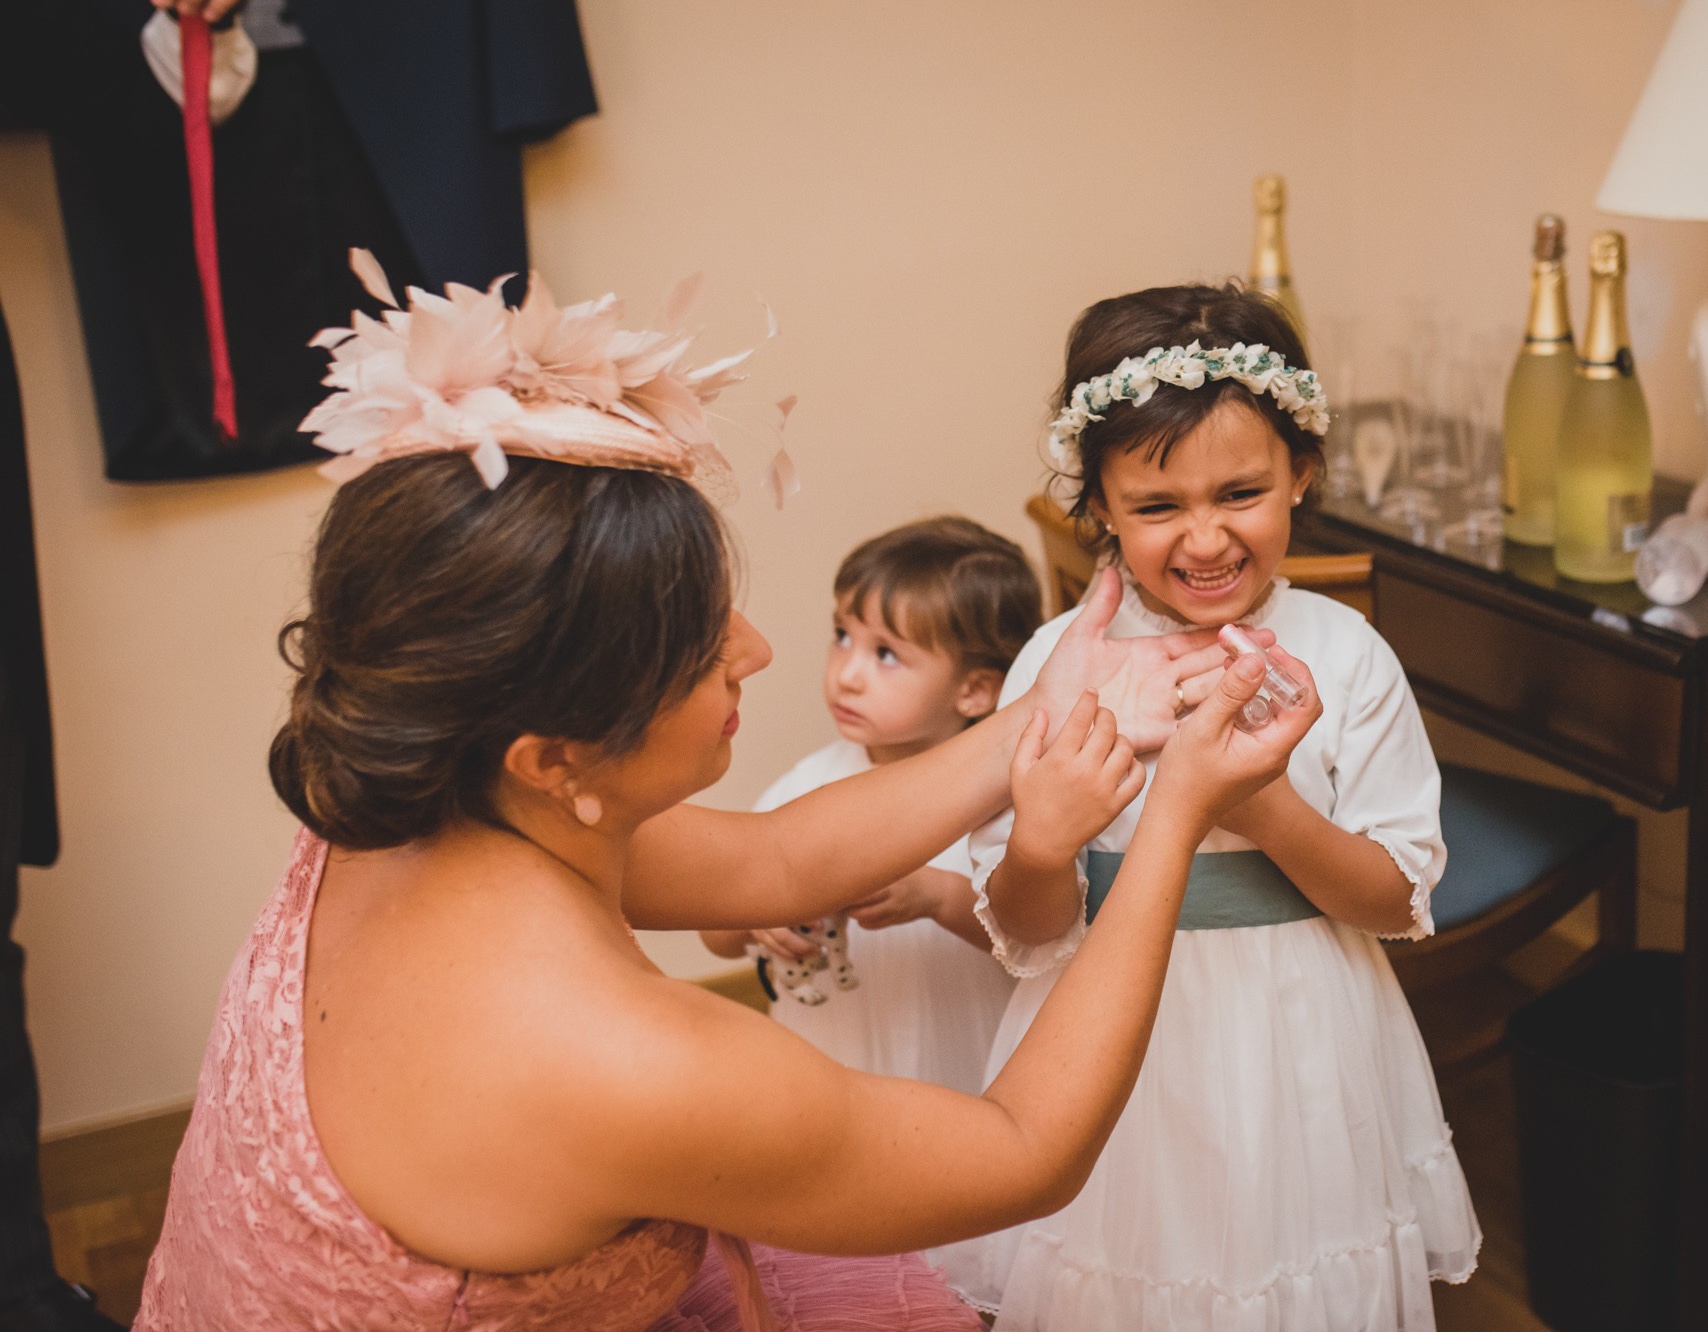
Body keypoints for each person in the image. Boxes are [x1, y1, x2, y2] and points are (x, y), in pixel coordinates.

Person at [132, 259, 1316, 1330]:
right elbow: (1022, 1152)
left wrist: (1047, 710)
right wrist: (1174, 819)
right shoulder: (626, 1064)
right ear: (555, 757)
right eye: (701, 646)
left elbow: (778, 862)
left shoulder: (407, 796)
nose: (754, 651)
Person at [964, 284, 1482, 1330]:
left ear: (1300, 474)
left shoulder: (1347, 656)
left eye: (1237, 493)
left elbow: (1392, 902)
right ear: (1099, 507)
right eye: (1156, 508)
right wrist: (1040, 845)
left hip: (1301, 1043)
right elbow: (1021, 930)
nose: (1202, 541)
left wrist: (1264, 811)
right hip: (1109, 1050)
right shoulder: (1057, 667)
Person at [700, 516, 1037, 1093]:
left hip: (959, 1068)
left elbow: (1038, 943)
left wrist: (935, 896)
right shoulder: (808, 787)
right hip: (831, 1068)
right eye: (842, 637)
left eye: (886, 654)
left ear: (975, 690)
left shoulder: (1005, 800)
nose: (847, 675)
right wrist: (755, 919)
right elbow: (716, 929)